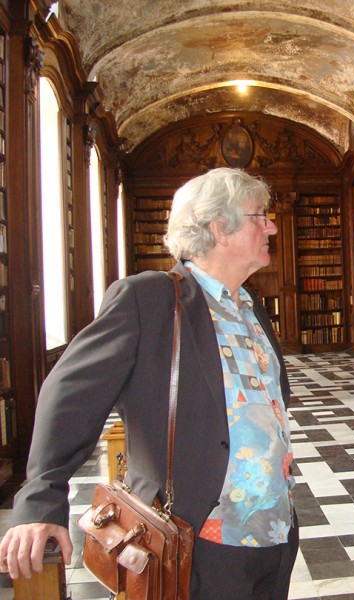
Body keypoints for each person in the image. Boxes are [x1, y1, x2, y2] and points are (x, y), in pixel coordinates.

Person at [0, 167, 299, 599]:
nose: (271, 225)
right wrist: (40, 499)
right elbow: (69, 395)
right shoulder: (151, 299)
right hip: (195, 539)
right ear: (219, 226)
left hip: (274, 532)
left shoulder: (253, 309)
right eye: (259, 215)